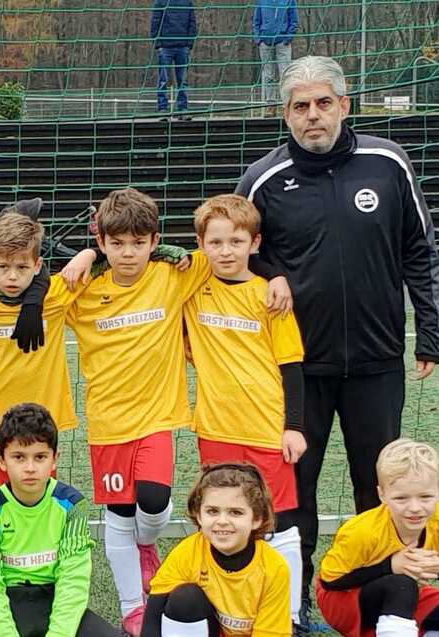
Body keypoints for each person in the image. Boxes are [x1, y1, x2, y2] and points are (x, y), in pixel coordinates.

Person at [235, 55, 439, 624]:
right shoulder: (263, 179)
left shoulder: (388, 162)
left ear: (345, 106)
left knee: (380, 489)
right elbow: (231, 250)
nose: (313, 115)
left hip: (377, 361)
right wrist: (269, 270)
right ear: (285, 115)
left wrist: (430, 330)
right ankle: (293, 601)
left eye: (324, 103)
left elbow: (420, 250)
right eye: (300, 106)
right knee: (294, 490)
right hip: (298, 367)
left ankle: (387, 598)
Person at [60, 188, 214, 636]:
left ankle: (148, 545)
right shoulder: (82, 290)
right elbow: (18, 275)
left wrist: (174, 251)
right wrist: (83, 257)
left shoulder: (172, 275)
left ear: (153, 241)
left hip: (158, 418)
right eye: (117, 243)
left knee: (153, 498)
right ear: (103, 241)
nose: (129, 253)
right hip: (107, 423)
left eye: (140, 242)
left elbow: (226, 249)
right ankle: (132, 607)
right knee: (119, 513)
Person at [184, 194, 307, 633]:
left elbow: (291, 366)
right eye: (215, 242)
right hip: (215, 428)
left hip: (267, 428)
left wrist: (294, 427)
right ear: (201, 245)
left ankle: (288, 613)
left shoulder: (270, 297)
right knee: (222, 519)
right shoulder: (193, 289)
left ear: (254, 243)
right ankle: (223, 608)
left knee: (280, 522)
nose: (226, 251)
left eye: (236, 241)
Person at [0, 402, 115, 637]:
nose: (30, 468)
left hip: (54, 598)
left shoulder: (71, 504)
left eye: (40, 457)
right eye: (19, 457)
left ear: (54, 459)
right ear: (2, 460)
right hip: (7, 600)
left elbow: (73, 579)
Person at [0, 211, 80, 496]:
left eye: (22, 267)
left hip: (42, 422)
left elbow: (110, 263)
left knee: (37, 501)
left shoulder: (55, 294)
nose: (12, 276)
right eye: (3, 267)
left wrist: (88, 253)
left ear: (37, 265)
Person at [142, 464, 291, 637]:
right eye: (212, 511)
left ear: (257, 519)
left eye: (235, 512)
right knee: (185, 598)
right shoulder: (188, 552)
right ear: (199, 515)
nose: (222, 521)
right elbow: (152, 619)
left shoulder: (274, 568)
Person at [317, 439, 439, 637]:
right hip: (345, 599)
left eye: (425, 497)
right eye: (401, 498)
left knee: (404, 588)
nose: (415, 508)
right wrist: (390, 566)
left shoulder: (436, 520)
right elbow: (330, 582)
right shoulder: (362, 531)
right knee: (401, 584)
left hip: (402, 598)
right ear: (382, 495)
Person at [150, 0, 197, 118]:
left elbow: (192, 23)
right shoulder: (160, 2)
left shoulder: (187, 3)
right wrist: (158, 44)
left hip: (182, 46)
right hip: (165, 46)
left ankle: (182, 109)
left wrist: (189, 43)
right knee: (163, 80)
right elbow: (155, 23)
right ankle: (162, 109)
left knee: (183, 80)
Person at [253, 0, 298, 114]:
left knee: (285, 74)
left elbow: (294, 21)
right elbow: (256, 21)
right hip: (265, 42)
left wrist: (287, 38)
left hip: (282, 42)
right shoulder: (261, 2)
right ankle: (270, 105)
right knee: (268, 75)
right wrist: (258, 39)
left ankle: (287, 104)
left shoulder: (289, 1)